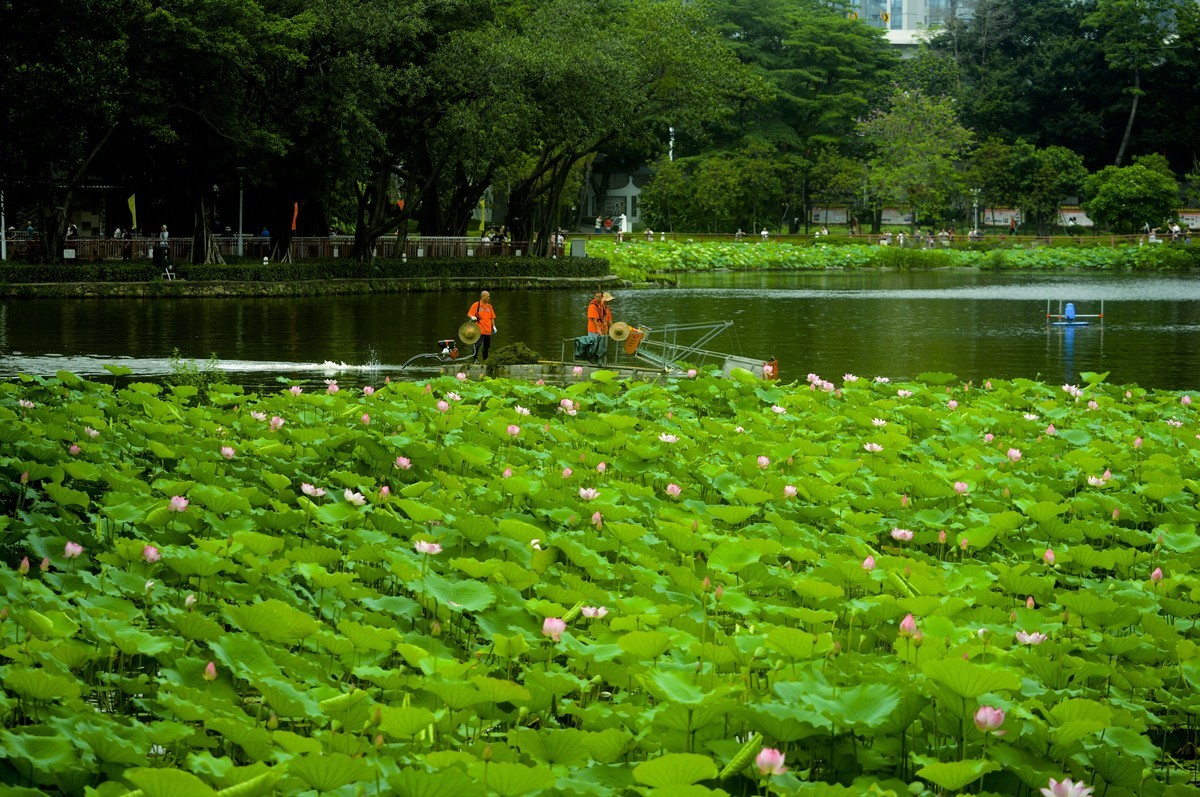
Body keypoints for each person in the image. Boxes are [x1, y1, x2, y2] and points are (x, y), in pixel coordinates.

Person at [575, 290, 613, 364]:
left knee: (601, 345)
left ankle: (600, 361)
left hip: (602, 330)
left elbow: (607, 319)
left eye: (599, 297)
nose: (598, 298)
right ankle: (591, 359)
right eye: (597, 297)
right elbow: (593, 318)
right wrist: (598, 329)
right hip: (593, 330)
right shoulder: (593, 306)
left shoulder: (603, 307)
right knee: (594, 345)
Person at [467, 290, 497, 364]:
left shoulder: (489, 306)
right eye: (488, 296)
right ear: (483, 297)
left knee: (487, 346)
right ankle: (475, 359)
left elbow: (492, 317)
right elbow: (470, 314)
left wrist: (494, 326)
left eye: (489, 296)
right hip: (479, 330)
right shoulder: (476, 305)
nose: (489, 298)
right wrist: (472, 317)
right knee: (477, 345)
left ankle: (485, 360)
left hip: (488, 330)